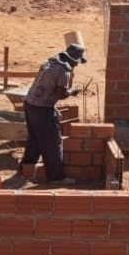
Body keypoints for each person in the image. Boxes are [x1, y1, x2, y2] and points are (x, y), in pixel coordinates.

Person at [20, 43, 86, 184]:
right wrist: (72, 91)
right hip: (42, 109)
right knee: (52, 142)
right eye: (77, 62)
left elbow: (45, 86)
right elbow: (60, 94)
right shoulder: (64, 71)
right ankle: (56, 177)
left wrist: (51, 106)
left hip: (30, 104)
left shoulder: (50, 61)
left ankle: (25, 168)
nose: (77, 65)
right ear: (72, 59)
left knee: (35, 139)